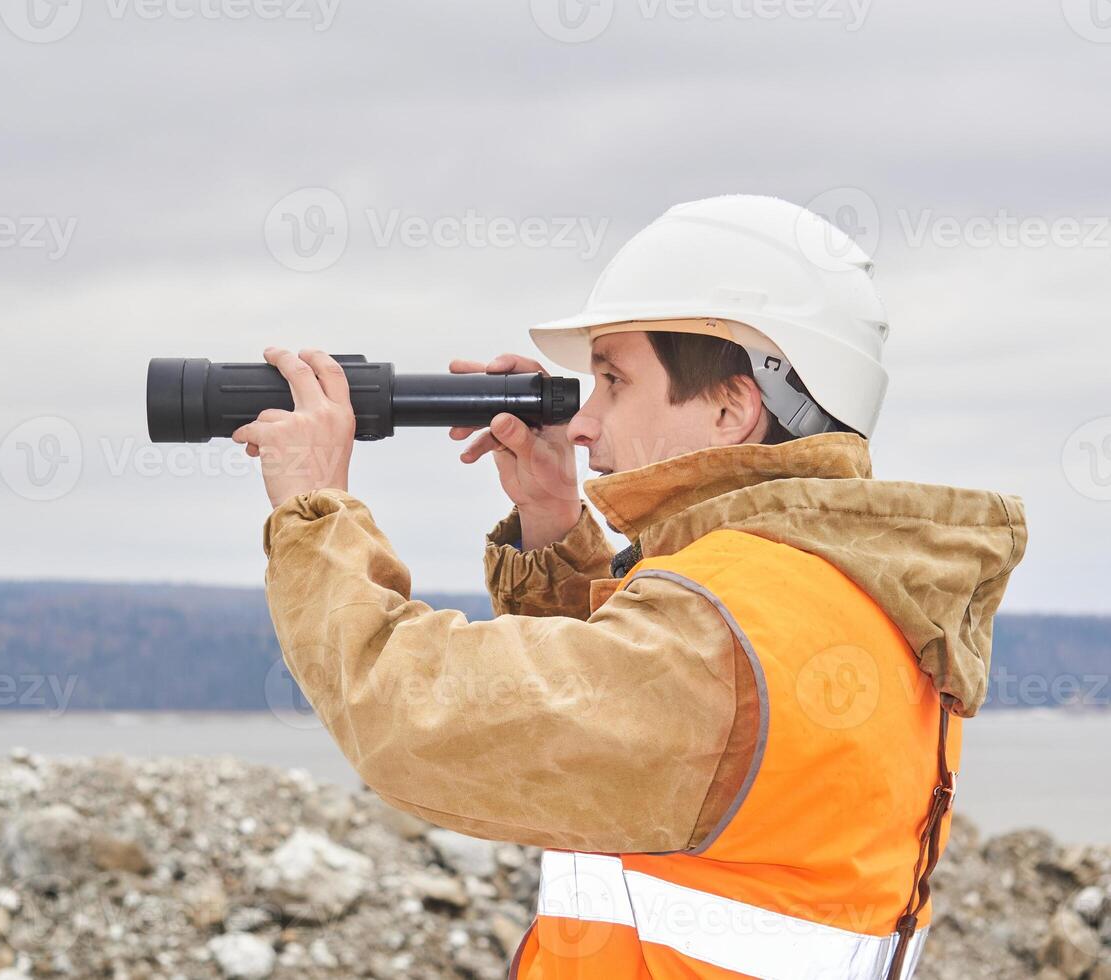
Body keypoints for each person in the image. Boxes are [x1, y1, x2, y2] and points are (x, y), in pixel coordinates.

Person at [232, 195, 1028, 979]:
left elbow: (405, 715)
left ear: (730, 410)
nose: (582, 422)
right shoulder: (839, 592)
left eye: (613, 381)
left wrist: (315, 509)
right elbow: (623, 746)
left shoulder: (723, 631)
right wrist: (552, 523)